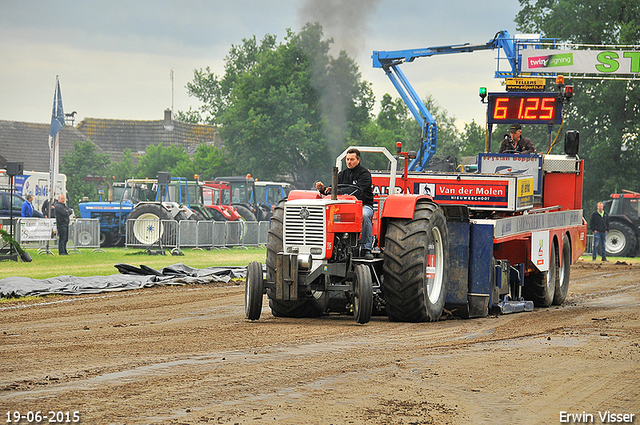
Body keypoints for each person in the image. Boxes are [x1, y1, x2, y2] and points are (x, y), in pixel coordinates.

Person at [315, 148, 374, 260]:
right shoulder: (341, 174)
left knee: (365, 215)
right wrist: (323, 190)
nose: (349, 162)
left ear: (358, 160)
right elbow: (332, 190)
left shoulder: (365, 174)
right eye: (347, 159)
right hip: (344, 207)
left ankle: (366, 248)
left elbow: (358, 190)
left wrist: (340, 191)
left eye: (352, 159)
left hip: (363, 205)